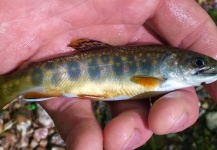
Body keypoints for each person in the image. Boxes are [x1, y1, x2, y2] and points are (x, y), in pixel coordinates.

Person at [0, 0, 217, 149]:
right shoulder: (159, 77)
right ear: (171, 61)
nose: (203, 67)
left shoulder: (166, 70)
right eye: (198, 62)